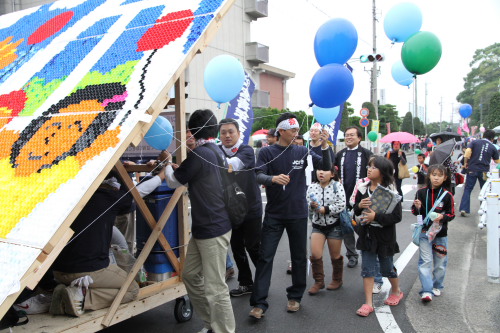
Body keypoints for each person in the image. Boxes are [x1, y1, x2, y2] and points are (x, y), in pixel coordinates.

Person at [50, 170, 167, 317]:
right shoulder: (108, 197)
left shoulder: (73, 195)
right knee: (131, 290)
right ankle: (83, 298)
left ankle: (66, 295)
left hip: (58, 272)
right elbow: (137, 193)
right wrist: (161, 175)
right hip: (87, 271)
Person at [249, 112, 332, 318]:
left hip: (297, 212)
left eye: (297, 130)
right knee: (265, 257)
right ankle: (259, 303)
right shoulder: (267, 152)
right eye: (293, 130)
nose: (297, 133)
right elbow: (257, 174)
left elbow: (325, 166)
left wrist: (324, 145)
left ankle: (295, 297)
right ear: (281, 131)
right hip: (274, 214)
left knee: (299, 257)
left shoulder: (302, 151)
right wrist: (272, 179)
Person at [163, 109, 235, 333]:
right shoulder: (214, 150)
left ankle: (224, 330)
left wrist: (167, 162)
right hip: (208, 227)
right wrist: (179, 169)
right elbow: (192, 174)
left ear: (193, 130)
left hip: (213, 228)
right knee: (190, 275)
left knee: (216, 288)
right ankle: (211, 323)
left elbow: (174, 182)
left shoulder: (200, 154)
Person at [352, 156, 403, 317]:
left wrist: (377, 217)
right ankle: (368, 303)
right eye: (369, 166)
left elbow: (397, 217)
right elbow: (356, 210)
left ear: (383, 172)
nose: (369, 169)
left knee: (387, 267)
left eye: (373, 167)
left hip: (385, 236)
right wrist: (359, 206)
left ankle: (396, 290)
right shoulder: (362, 188)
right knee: (367, 269)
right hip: (366, 234)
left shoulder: (391, 192)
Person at [218, 118, 263, 297]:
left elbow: (233, 165)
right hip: (230, 210)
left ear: (238, 133)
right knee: (236, 248)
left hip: (251, 207)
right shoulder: (217, 151)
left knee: (253, 246)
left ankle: (262, 281)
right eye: (223, 132)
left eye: (231, 131)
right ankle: (246, 283)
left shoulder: (246, 150)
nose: (227, 135)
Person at [411, 164, 455, 302]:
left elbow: (452, 214)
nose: (436, 178)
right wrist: (417, 207)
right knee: (425, 261)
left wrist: (443, 217)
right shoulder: (421, 192)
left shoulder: (448, 195)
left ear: (445, 177)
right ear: (429, 176)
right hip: (424, 233)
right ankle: (426, 290)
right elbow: (415, 212)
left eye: (439, 175)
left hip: (440, 234)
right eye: (434, 175)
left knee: (440, 262)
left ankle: (437, 285)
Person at [334, 126, 371, 269]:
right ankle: (352, 255)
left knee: (363, 228)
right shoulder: (340, 154)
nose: (348, 137)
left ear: (359, 138)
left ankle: (368, 254)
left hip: (362, 199)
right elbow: (333, 171)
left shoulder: (366, 154)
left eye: (352, 135)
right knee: (347, 228)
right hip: (343, 198)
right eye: (346, 135)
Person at [306, 164, 346, 294]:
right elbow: (307, 204)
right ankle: (318, 281)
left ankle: (337, 279)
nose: (321, 172)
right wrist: (312, 206)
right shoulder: (312, 186)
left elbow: (341, 204)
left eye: (324, 170)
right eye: (319, 170)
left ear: (332, 174)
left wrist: (326, 209)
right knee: (315, 254)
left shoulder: (337, 185)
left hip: (334, 225)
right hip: (318, 226)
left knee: (335, 256)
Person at [459, 129, 500, 217]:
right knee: (484, 190)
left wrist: (466, 163)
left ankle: (464, 209)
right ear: (492, 139)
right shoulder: (492, 147)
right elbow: (497, 161)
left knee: (468, 189)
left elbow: (467, 153)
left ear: (483, 135)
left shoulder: (474, 142)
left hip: (472, 169)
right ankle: (483, 209)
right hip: (484, 171)